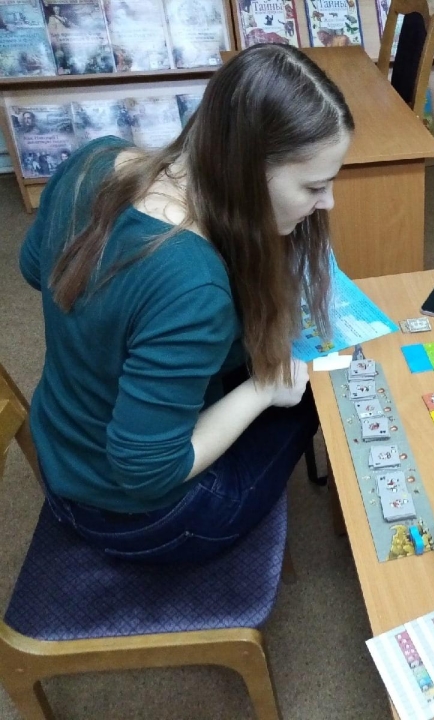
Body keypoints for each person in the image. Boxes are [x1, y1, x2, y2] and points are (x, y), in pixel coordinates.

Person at [19, 44, 354, 564]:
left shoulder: (95, 159)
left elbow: (32, 265)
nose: (328, 202)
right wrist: (265, 390)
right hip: (137, 517)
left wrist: (123, 324)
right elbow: (146, 472)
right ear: (247, 172)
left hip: (60, 452)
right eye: (314, 186)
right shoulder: (193, 286)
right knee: (315, 390)